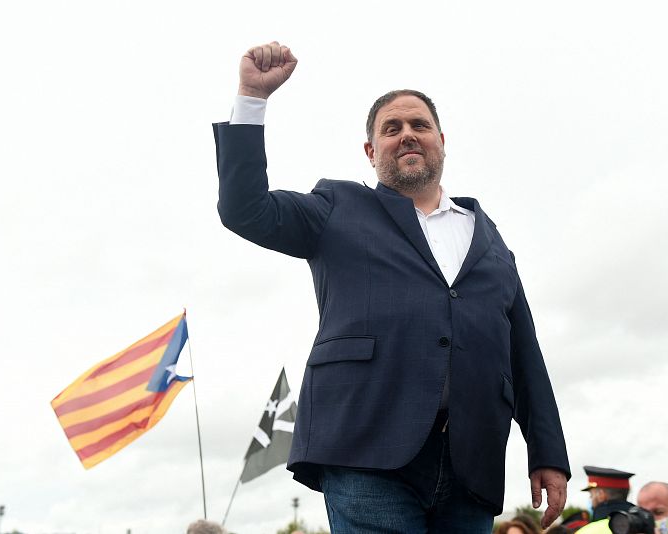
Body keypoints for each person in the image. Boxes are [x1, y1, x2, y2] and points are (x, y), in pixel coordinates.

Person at [214, 41, 570, 532]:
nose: (407, 135)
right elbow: (244, 210)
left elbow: (524, 354)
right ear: (370, 150)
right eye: (392, 128)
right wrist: (252, 98)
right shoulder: (335, 208)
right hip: (366, 449)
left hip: (472, 463)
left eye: (419, 125)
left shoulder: (491, 241)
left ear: (442, 140)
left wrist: (547, 452)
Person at [575, 466, 635, 534]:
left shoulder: (585, 532)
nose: (590, 499)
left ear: (601, 495)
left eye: (591, 495)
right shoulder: (644, 526)